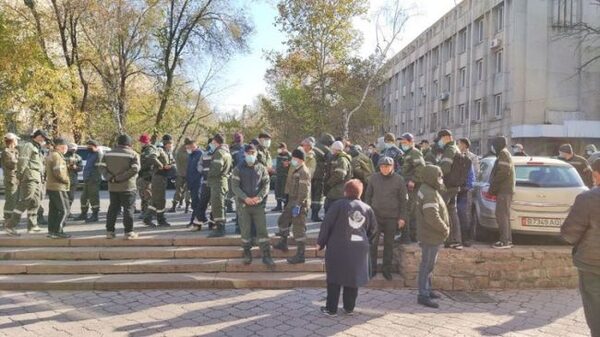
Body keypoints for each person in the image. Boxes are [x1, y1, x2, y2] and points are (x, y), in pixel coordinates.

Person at [317, 179, 376, 316]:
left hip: (337, 247)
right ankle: (349, 308)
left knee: (334, 278)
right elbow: (373, 230)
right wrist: (366, 243)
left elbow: (327, 224)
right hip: (359, 249)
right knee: (352, 278)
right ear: (360, 193)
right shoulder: (367, 208)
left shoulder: (337, 205)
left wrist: (321, 242)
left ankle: (331, 309)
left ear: (345, 191)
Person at [561, 159, 600, 337]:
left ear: (596, 175)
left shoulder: (588, 198)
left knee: (596, 313)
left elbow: (569, 233)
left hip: (592, 265)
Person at [365, 157, 408, 281]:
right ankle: (371, 269)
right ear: (379, 167)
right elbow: (368, 197)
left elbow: (403, 202)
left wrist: (402, 218)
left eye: (387, 166)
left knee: (389, 245)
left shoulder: (399, 180)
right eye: (382, 166)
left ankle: (386, 270)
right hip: (375, 216)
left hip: (392, 217)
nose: (385, 168)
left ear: (392, 167)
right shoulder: (373, 178)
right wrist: (367, 214)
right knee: (372, 244)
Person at [231, 144, 274, 267]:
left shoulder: (261, 168)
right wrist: (245, 198)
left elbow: (266, 185)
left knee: (262, 230)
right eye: (248, 153)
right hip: (243, 205)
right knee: (245, 231)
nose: (251, 155)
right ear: (244, 154)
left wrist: (259, 197)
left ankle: (266, 255)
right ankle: (246, 253)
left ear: (256, 154)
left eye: (253, 153)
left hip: (258, 205)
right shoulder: (238, 169)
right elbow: (235, 186)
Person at [416, 165, 450, 309]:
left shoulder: (427, 189)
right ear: (431, 176)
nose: (440, 179)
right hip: (430, 235)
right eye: (438, 176)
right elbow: (432, 217)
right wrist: (444, 228)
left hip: (429, 234)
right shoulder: (429, 193)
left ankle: (427, 289)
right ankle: (423, 294)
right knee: (427, 265)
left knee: (429, 264)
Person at [4, 129, 49, 236]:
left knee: (35, 202)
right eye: (42, 137)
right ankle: (10, 225)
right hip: (29, 177)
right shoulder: (28, 145)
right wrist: (19, 176)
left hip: (37, 177)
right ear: (37, 136)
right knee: (26, 200)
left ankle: (32, 226)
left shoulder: (36, 147)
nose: (44, 140)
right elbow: (23, 161)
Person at [98, 134, 140, 240]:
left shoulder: (107, 154)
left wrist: (110, 178)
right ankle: (129, 232)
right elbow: (135, 169)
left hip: (113, 186)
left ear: (117, 143)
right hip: (128, 187)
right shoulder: (133, 154)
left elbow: (102, 168)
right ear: (129, 143)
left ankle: (110, 232)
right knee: (128, 209)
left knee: (113, 209)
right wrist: (120, 178)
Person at [273, 149, 311, 264]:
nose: (292, 160)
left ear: (299, 159)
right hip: (292, 201)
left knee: (298, 229)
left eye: (294, 158)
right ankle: (283, 243)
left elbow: (304, 191)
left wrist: (298, 205)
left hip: (299, 203)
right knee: (283, 220)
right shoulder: (297, 169)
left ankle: (301, 254)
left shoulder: (303, 171)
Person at [436, 129, 464, 250]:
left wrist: (435, 170)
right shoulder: (455, 148)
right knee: (452, 212)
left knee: (444, 212)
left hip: (448, 186)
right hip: (453, 186)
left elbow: (445, 168)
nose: (439, 142)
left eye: (440, 139)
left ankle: (451, 239)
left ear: (446, 137)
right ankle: (455, 240)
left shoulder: (450, 149)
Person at [489, 136, 516, 249]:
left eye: (494, 145)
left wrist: (494, 185)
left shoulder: (503, 154)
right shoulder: (504, 153)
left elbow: (503, 171)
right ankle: (507, 240)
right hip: (505, 190)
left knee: (501, 215)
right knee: (504, 215)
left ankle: (504, 241)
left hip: (504, 190)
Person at [144, 134, 176, 227]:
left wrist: (171, 166)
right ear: (166, 143)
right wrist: (161, 165)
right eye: (170, 143)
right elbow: (152, 157)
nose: (171, 145)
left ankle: (147, 218)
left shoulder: (168, 152)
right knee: (161, 200)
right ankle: (161, 220)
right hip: (158, 177)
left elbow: (171, 162)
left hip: (163, 178)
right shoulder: (160, 150)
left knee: (155, 200)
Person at [399, 133, 425, 244]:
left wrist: (413, 180)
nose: (402, 144)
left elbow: (421, 167)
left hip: (412, 186)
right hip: (407, 185)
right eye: (402, 143)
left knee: (409, 210)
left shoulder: (414, 152)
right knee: (411, 210)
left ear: (410, 142)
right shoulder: (407, 153)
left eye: (404, 142)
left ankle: (408, 238)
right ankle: (411, 236)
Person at [45, 137, 71, 239]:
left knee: (54, 210)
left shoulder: (52, 155)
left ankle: (52, 231)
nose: (66, 149)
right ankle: (58, 231)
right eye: (65, 147)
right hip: (58, 186)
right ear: (59, 147)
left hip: (52, 186)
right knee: (64, 210)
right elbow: (58, 172)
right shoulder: (57, 156)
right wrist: (67, 180)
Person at [207, 134, 233, 238]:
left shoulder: (219, 153)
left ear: (216, 142)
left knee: (217, 206)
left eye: (212, 142)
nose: (211, 144)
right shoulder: (227, 152)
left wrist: (208, 174)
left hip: (218, 182)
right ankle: (220, 226)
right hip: (223, 181)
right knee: (221, 205)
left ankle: (220, 229)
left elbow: (216, 168)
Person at [457, 138, 478, 247]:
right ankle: (456, 237)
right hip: (456, 189)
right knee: (456, 214)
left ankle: (466, 238)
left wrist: (467, 187)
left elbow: (473, 175)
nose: (458, 145)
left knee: (465, 214)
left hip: (465, 190)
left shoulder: (471, 158)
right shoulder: (455, 157)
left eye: (459, 144)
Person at [75, 139, 103, 223]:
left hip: (93, 179)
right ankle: (84, 213)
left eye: (89, 146)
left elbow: (98, 168)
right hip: (87, 179)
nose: (88, 147)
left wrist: (93, 177)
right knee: (84, 197)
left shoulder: (99, 154)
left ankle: (95, 215)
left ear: (95, 146)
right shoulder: (90, 154)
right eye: (87, 146)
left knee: (93, 197)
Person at [324, 141, 352, 213]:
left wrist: (329, 184)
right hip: (334, 190)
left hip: (339, 191)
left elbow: (340, 175)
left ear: (337, 150)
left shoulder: (342, 160)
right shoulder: (336, 158)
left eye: (333, 149)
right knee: (328, 208)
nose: (332, 150)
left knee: (331, 210)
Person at [311, 133, 334, 221]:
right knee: (318, 195)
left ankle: (312, 212)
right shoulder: (326, 149)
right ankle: (315, 215)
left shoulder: (314, 146)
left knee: (312, 194)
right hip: (319, 175)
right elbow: (330, 160)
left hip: (311, 174)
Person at [184, 138, 204, 229]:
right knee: (194, 203)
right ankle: (197, 220)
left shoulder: (200, 154)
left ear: (194, 145)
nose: (189, 149)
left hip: (198, 182)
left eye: (190, 146)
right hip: (192, 182)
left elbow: (201, 170)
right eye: (188, 147)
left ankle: (195, 221)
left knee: (197, 203)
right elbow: (189, 170)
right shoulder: (191, 155)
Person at [137, 133, 157, 219]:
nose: (141, 143)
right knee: (143, 193)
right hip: (144, 174)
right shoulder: (145, 149)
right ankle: (145, 211)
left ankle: (150, 212)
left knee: (147, 194)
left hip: (148, 175)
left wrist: (141, 168)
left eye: (142, 142)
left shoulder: (150, 149)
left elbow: (150, 161)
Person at [2, 133, 20, 223]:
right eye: (16, 140)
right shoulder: (6, 152)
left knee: (15, 199)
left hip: (15, 179)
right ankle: (8, 218)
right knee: (10, 200)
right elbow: (11, 165)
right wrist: (19, 161)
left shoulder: (13, 150)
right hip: (11, 180)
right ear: (12, 141)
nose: (17, 141)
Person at [169, 141, 191, 213]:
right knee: (188, 190)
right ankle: (187, 207)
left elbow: (175, 160)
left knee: (178, 190)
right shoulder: (189, 153)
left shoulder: (178, 152)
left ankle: (174, 206)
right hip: (188, 174)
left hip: (179, 174)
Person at [226, 132, 245, 215]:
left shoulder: (234, 149)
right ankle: (233, 209)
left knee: (234, 191)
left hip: (238, 172)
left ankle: (235, 210)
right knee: (235, 191)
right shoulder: (234, 149)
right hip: (238, 172)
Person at [64, 143, 83, 217]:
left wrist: (76, 168)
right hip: (64, 179)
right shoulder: (63, 156)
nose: (73, 150)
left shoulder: (78, 157)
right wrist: (67, 166)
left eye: (74, 149)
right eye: (71, 149)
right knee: (64, 196)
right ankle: (64, 211)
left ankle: (68, 211)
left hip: (73, 179)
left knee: (71, 197)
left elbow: (81, 168)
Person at [272, 142, 291, 212]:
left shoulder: (289, 155)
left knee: (284, 192)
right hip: (278, 175)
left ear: (284, 148)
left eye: (281, 148)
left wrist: (288, 163)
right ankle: (278, 205)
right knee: (277, 190)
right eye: (279, 148)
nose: (279, 149)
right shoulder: (278, 155)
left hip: (285, 176)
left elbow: (293, 164)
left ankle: (285, 206)